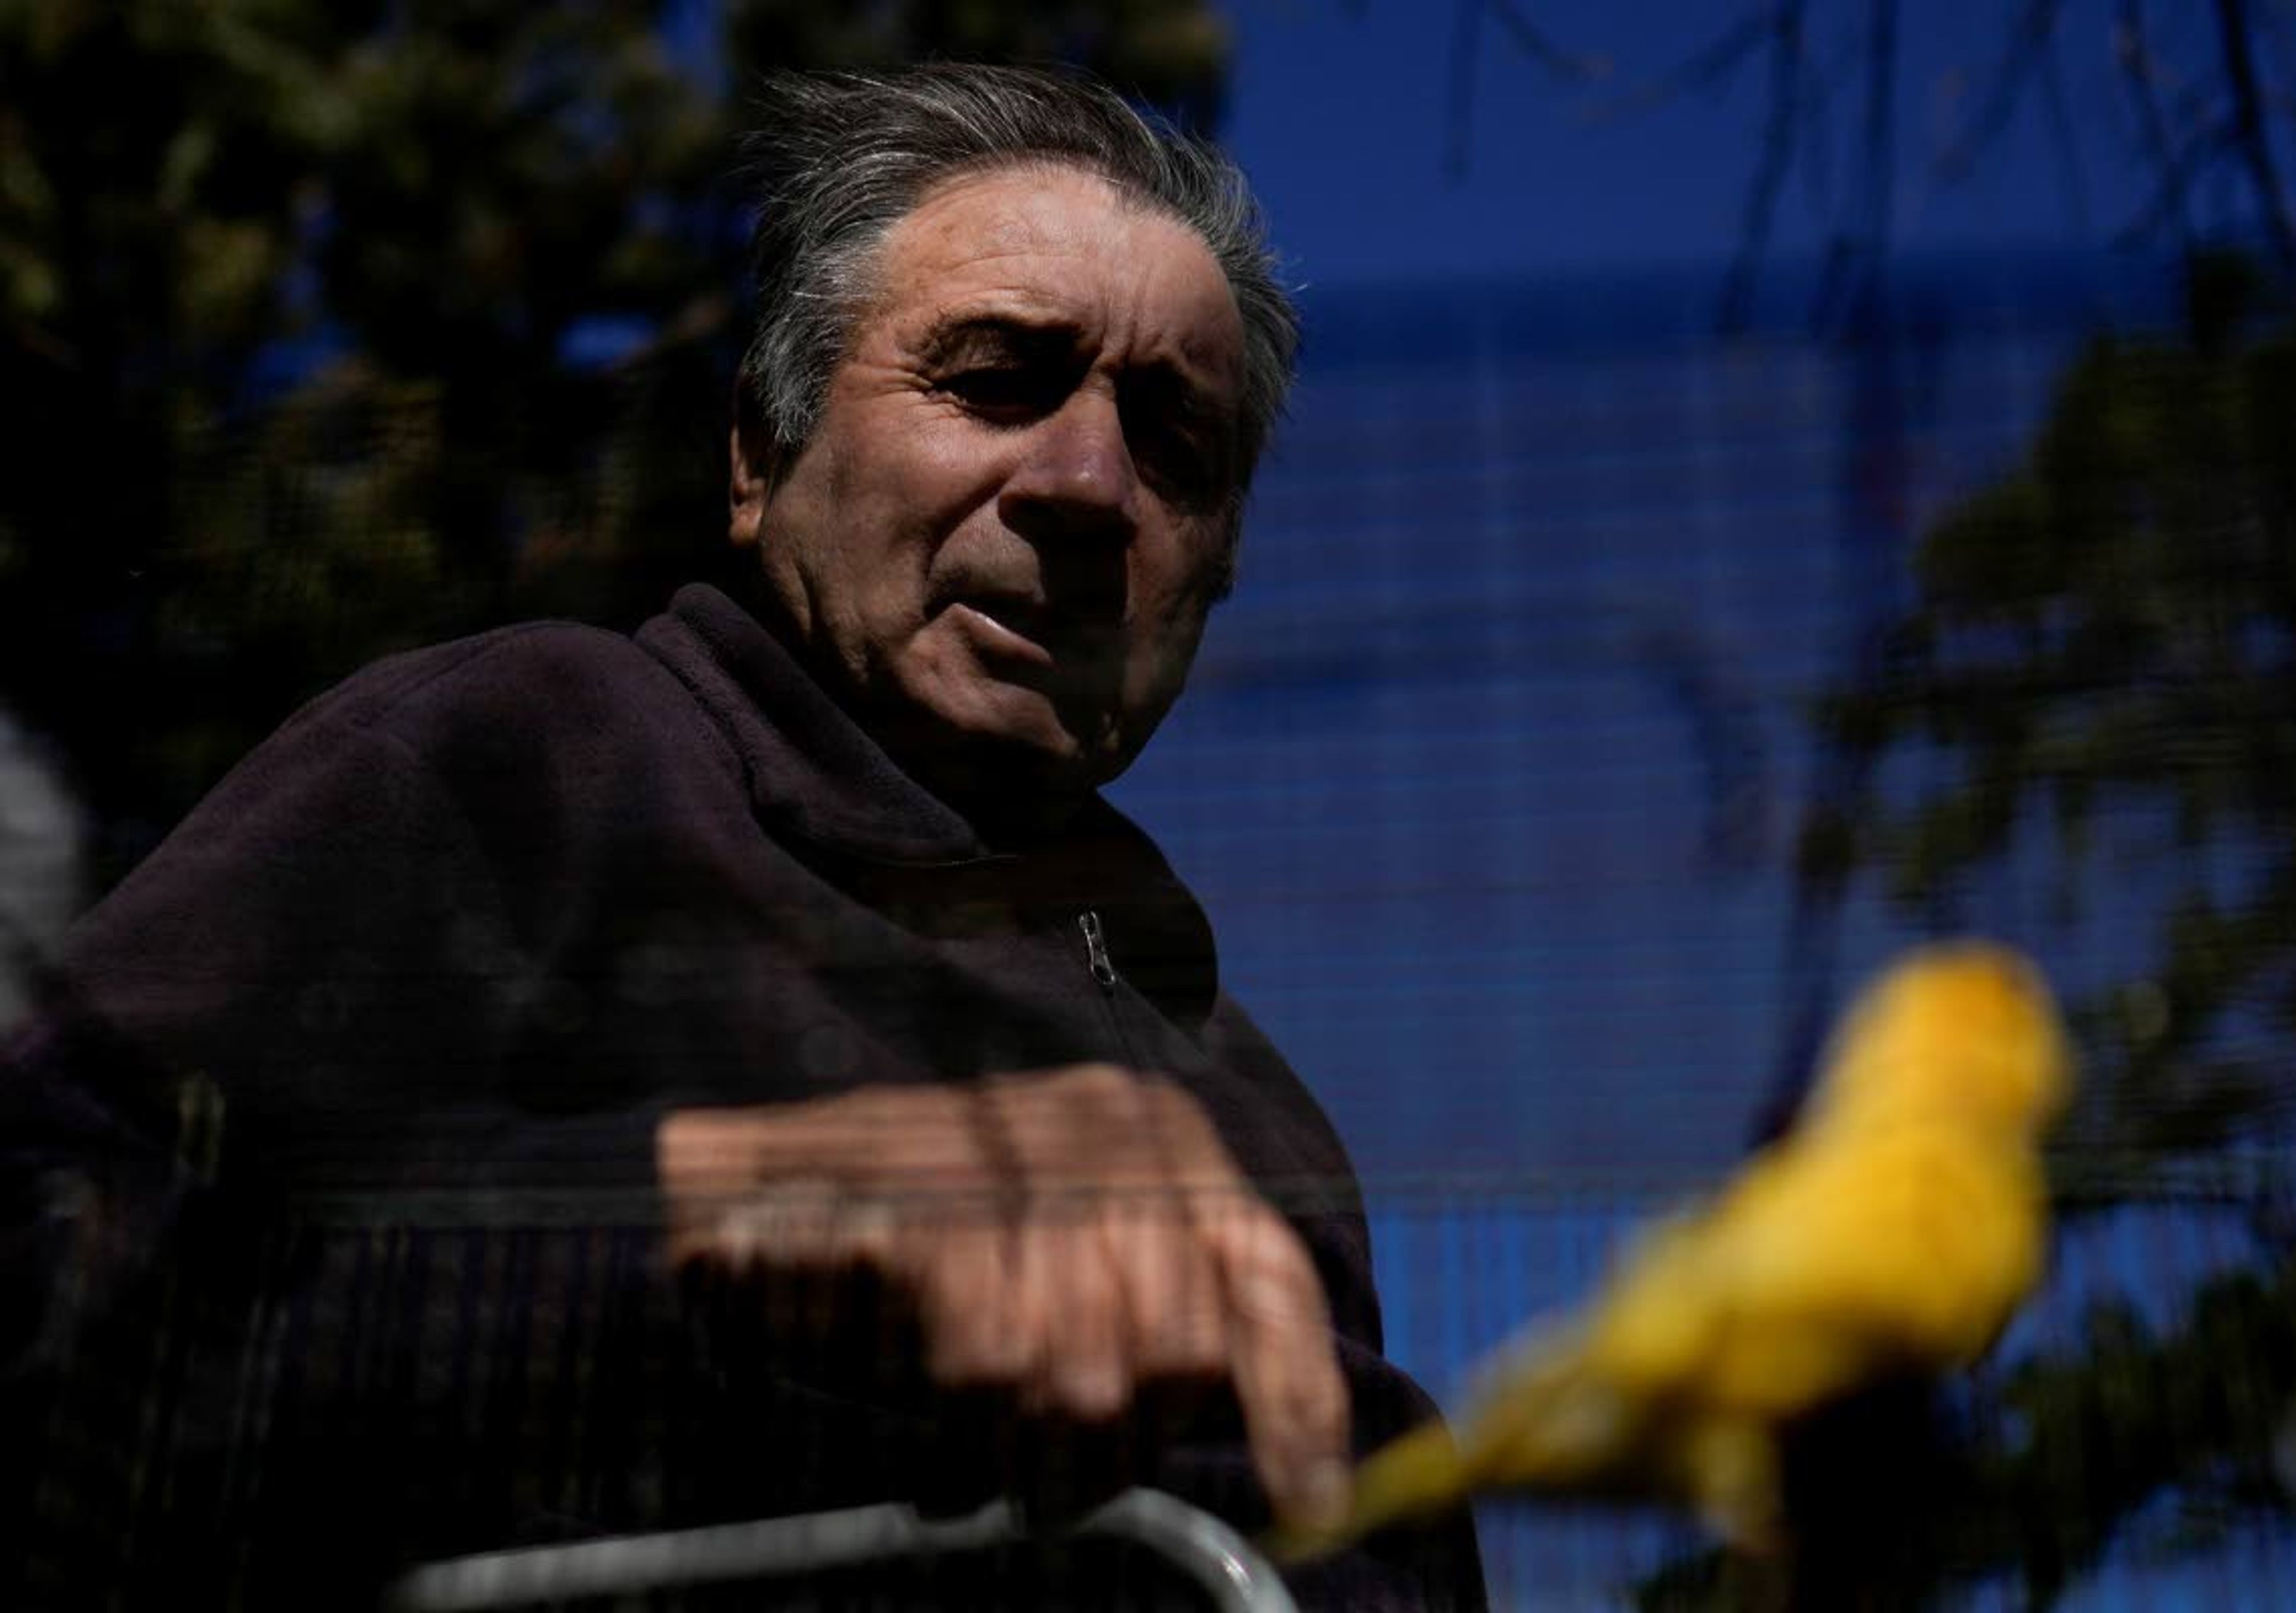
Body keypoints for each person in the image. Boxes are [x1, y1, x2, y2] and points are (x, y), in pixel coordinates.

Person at [1, 64, 1487, 1609]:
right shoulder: (528, 757)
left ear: (1216, 576)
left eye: (1177, 440)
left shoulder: (1256, 1101)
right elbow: (50, 1307)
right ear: (755, 461)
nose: (1090, 484)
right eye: (994, 376)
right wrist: (718, 1222)